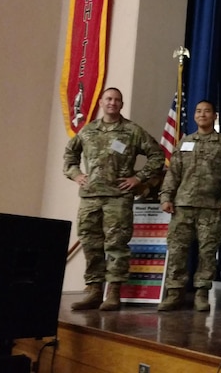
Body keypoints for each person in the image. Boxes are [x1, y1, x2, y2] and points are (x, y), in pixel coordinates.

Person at [63, 87, 165, 311]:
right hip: (90, 198)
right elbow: (69, 156)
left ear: (121, 104)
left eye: (117, 100)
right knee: (91, 243)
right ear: (101, 102)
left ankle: (114, 292)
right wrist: (76, 174)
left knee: (116, 245)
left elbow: (157, 155)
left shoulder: (132, 131)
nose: (112, 103)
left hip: (118, 198)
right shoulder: (87, 131)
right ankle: (94, 290)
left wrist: (138, 178)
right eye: (108, 99)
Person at [157, 100, 221, 312]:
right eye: (198, 111)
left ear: (214, 116)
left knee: (207, 252)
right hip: (182, 206)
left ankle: (202, 293)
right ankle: (175, 293)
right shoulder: (184, 142)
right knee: (177, 251)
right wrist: (166, 197)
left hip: (210, 207)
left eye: (207, 111)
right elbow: (173, 173)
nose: (202, 114)